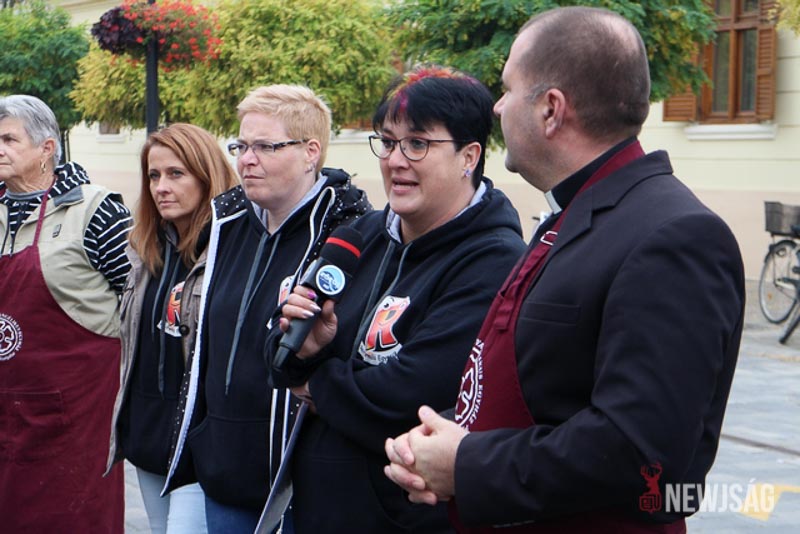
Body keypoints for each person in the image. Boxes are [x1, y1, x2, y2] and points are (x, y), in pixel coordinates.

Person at [385, 7, 745, 532]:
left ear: (551, 109)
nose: (498, 106)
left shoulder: (673, 234)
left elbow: (640, 451)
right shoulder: (583, 208)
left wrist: (468, 464)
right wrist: (450, 445)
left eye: (507, 89)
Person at [268, 65, 527, 533]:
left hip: (405, 519)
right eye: (388, 142)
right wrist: (303, 350)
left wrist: (315, 381)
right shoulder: (359, 237)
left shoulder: (494, 260)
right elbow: (276, 349)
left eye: (418, 144)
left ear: (469, 156)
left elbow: (408, 398)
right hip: (316, 510)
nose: (395, 161)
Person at [163, 85, 370, 533]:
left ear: (311, 152)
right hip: (222, 471)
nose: (246, 160)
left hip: (299, 484)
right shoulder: (228, 223)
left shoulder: (349, 232)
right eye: (241, 146)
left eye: (265, 147)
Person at [0, 94, 131, 531]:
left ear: (47, 148)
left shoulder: (95, 210)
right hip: (8, 409)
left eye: (9, 139)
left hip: (76, 417)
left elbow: (136, 300)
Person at [106, 123, 240, 533]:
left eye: (176, 174)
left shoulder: (231, 250)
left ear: (206, 175)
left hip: (197, 446)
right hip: (148, 436)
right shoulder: (145, 249)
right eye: (154, 175)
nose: (161, 187)